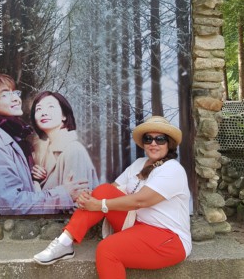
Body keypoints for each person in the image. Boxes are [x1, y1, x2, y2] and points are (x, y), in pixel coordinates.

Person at [33, 116, 192, 279]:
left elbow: (141, 200)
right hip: (136, 223)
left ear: (169, 143)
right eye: (148, 138)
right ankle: (65, 243)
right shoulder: (139, 163)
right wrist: (90, 197)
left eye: (160, 139)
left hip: (169, 239)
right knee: (103, 190)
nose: (153, 143)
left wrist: (100, 205)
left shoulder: (172, 169)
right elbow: (112, 189)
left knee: (106, 250)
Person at [0, 73, 88, 216]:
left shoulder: (13, 138)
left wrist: (31, 178)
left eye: (15, 93)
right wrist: (64, 195)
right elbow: (12, 204)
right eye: (6, 95)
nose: (16, 99)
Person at [30, 91, 99, 191]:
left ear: (64, 116)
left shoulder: (73, 150)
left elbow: (77, 200)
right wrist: (36, 179)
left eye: (51, 107)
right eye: (39, 109)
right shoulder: (42, 152)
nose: (44, 112)